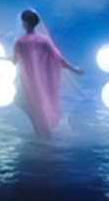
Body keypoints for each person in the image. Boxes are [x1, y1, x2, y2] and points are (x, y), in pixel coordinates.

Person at [11, 9, 82, 139]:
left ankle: (42, 132)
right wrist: (74, 69)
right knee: (33, 106)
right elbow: (59, 59)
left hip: (27, 82)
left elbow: (14, 60)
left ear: (24, 25)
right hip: (41, 81)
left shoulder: (20, 42)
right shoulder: (43, 41)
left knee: (22, 102)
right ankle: (42, 130)